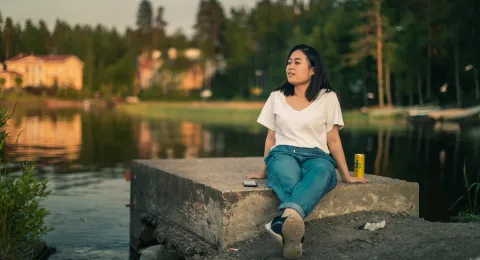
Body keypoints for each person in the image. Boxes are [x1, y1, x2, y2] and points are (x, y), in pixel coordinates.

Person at [246, 44, 368, 259]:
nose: (290, 67)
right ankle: (291, 224)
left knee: (323, 173)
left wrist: (345, 175)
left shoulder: (328, 98)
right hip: (283, 153)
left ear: (313, 69)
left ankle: (284, 223)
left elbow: (333, 140)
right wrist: (263, 171)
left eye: (297, 62)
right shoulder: (276, 96)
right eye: (289, 62)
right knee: (287, 176)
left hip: (317, 156)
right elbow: (271, 138)